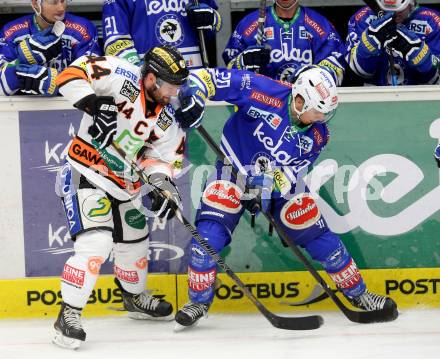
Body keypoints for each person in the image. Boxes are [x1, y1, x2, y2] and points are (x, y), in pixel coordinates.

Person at [171, 65, 399, 328]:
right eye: (317, 111)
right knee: (208, 237)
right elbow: (205, 78)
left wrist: (265, 188)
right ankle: (198, 301)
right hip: (232, 170)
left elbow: (292, 172)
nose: (320, 118)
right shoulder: (261, 90)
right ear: (300, 99)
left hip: (279, 185)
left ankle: (360, 295)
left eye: (325, 113)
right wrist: (194, 98)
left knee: (320, 238)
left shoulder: (318, 135)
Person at [52, 45, 190, 349]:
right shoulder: (118, 73)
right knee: (95, 244)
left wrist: (162, 185)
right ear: (152, 78)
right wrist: (93, 103)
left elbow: (162, 159)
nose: (173, 93)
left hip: (125, 186)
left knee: (135, 244)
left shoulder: (168, 118)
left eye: (178, 87)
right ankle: (68, 315)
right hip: (85, 172)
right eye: (169, 86)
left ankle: (133, 298)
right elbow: (69, 75)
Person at [222, 0, 345, 84]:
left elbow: (336, 66)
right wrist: (243, 61)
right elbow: (230, 71)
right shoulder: (249, 24)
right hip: (262, 105)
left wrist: (313, 74)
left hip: (306, 106)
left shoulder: (320, 24)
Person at [0, 0, 101, 96]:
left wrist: (58, 82)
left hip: (70, 105)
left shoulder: (83, 28)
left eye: (63, 1)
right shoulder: (11, 32)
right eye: (54, 2)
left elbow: (95, 76)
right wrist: (20, 61)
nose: (61, 8)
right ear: (35, 3)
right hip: (20, 106)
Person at [102, 0, 221, 69]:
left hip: (194, 77)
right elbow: (115, 42)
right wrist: (141, 71)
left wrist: (211, 18)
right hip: (149, 85)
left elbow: (214, 26)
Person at [345, 0, 440, 86]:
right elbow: (358, 71)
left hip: (420, 97)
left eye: (399, 11)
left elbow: (436, 77)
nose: (393, 15)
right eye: (385, 10)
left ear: (411, 3)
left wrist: (424, 60)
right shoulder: (362, 17)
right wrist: (368, 46)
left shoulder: (433, 21)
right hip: (374, 96)